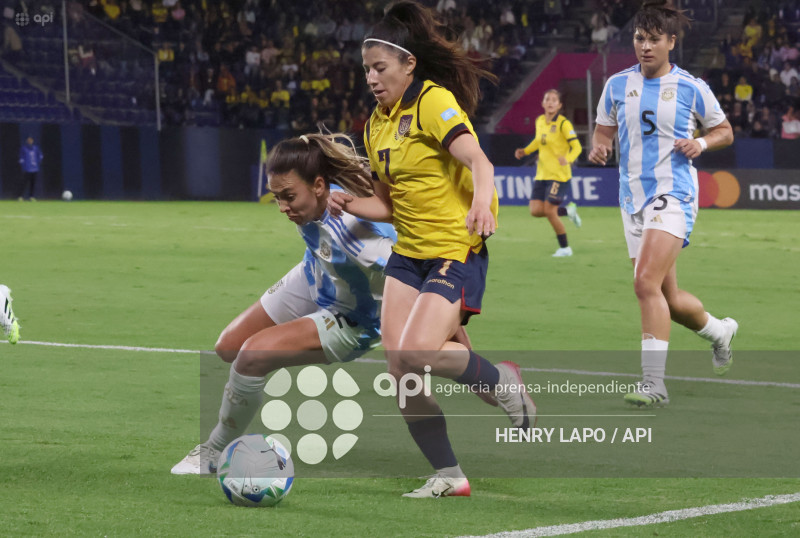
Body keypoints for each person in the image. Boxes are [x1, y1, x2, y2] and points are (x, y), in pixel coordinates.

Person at [329, 0, 536, 498]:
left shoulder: (433, 102)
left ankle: (503, 381)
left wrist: (482, 205)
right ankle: (450, 475)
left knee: (418, 351)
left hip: (455, 248)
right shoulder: (376, 124)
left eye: (380, 68)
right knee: (400, 369)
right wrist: (349, 204)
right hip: (410, 254)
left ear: (408, 64)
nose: (372, 79)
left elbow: (480, 162)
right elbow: (388, 204)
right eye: (366, 71)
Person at [171, 133, 397, 475]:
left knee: (251, 356)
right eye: (276, 197)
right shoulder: (317, 190)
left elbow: (418, 281)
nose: (283, 208)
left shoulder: (361, 237)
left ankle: (213, 453)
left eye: (288, 197)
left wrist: (450, 334)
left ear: (319, 186)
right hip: (317, 273)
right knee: (228, 347)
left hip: (353, 317)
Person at [588, 0, 738, 407]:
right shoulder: (617, 85)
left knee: (643, 283)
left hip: (674, 194)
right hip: (631, 198)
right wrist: (599, 148)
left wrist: (701, 142)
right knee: (667, 301)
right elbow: (603, 131)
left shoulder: (690, 87)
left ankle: (654, 385)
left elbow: (724, 130)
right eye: (639, 38)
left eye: (654, 39)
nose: (645, 47)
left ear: (672, 41)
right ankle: (720, 332)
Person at [514, 89, 583, 257]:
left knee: (550, 211)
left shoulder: (563, 124)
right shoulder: (539, 121)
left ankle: (565, 248)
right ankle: (568, 212)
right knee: (536, 210)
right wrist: (526, 151)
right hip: (542, 174)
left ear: (559, 105)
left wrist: (568, 158)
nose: (550, 102)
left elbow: (577, 147)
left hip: (559, 176)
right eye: (547, 99)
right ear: (543, 103)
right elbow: (539, 141)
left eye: (554, 100)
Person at [18, 137, 43, 201]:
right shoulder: (24, 148)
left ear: (32, 141)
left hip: (35, 169)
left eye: (31, 140)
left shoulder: (36, 148)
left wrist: (37, 163)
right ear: (27, 141)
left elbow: (40, 156)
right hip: (27, 169)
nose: (30, 142)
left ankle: (31, 196)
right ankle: (21, 196)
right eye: (29, 140)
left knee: (33, 183)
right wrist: (24, 165)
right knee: (24, 183)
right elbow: (21, 158)